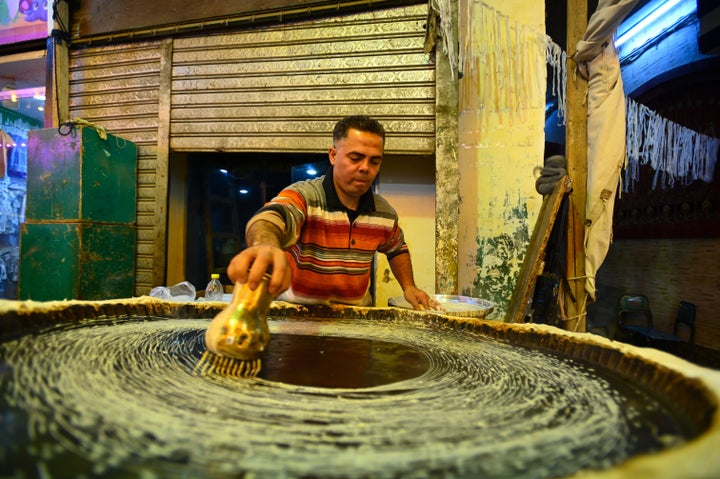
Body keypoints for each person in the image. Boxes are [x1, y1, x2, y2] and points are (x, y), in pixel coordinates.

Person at [227, 115, 435, 310]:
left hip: (356, 319)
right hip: (296, 318)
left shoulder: (384, 213)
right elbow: (272, 216)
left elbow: (396, 248)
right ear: (333, 155)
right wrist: (265, 245)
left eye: (374, 161)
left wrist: (409, 286)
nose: (365, 168)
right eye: (355, 158)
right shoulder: (306, 196)